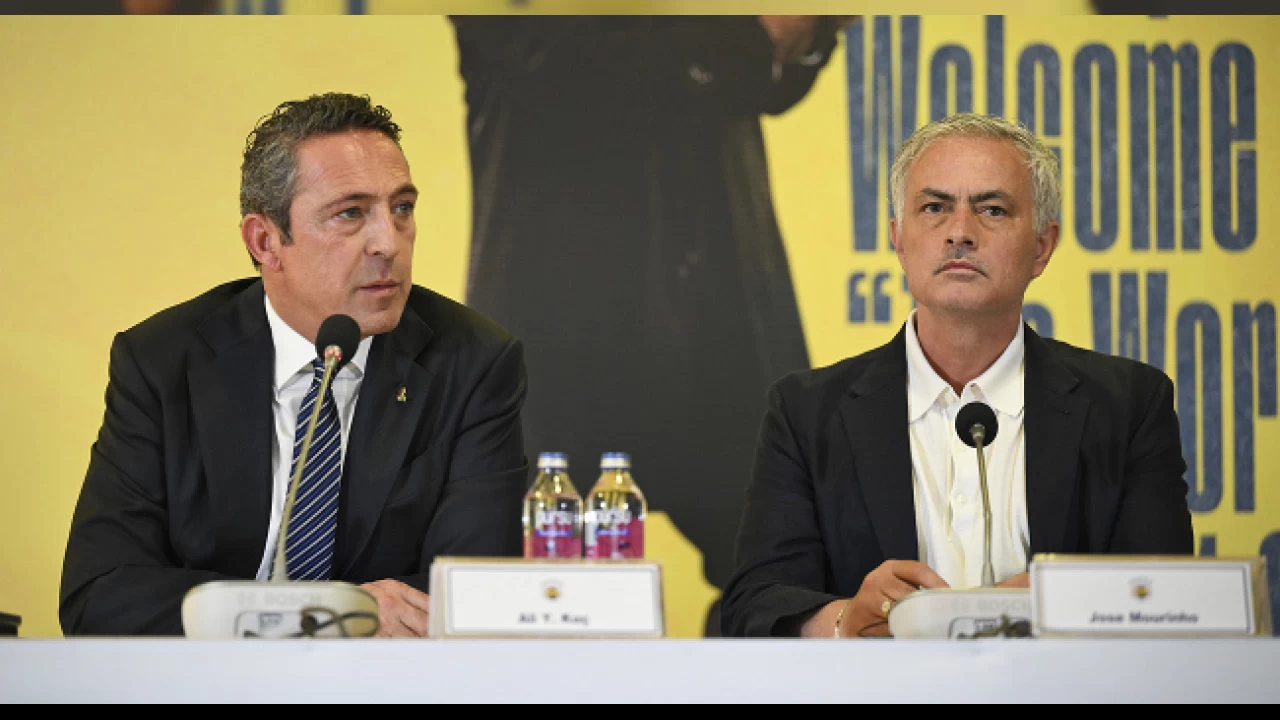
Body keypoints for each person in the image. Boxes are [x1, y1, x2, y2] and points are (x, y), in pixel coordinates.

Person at [59, 92, 529, 638]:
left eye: (401, 208)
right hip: (209, 677)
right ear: (265, 241)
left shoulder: (472, 363)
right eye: (351, 213)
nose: (388, 242)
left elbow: (470, 595)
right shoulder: (162, 361)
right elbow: (99, 594)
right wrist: (323, 613)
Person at [449, 15, 852, 635]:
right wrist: (754, 36)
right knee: (539, 584)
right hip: (567, 311)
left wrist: (805, 33)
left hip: (716, 301)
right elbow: (551, 56)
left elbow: (758, 86)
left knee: (787, 572)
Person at [720, 113, 1194, 638]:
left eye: (993, 210)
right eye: (934, 208)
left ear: (1041, 247)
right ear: (899, 240)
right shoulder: (806, 413)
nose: (960, 233)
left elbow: (1167, 595)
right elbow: (755, 605)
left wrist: (1062, 598)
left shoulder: (1129, 406)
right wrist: (843, 620)